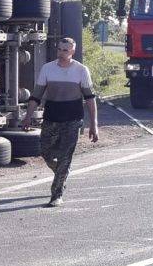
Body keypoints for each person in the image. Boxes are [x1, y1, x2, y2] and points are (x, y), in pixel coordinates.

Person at [22, 37, 99, 207]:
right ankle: (61, 172)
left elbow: (90, 99)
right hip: (51, 118)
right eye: (59, 49)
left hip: (73, 120)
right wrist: (28, 116)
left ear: (72, 51)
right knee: (46, 152)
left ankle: (56, 195)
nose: (61, 53)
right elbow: (36, 95)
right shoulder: (48, 69)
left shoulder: (81, 70)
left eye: (65, 50)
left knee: (65, 157)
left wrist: (94, 124)